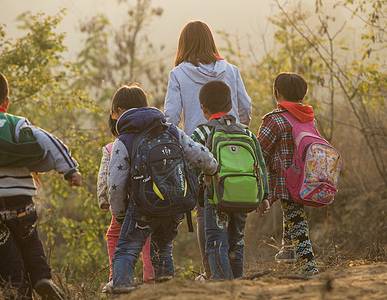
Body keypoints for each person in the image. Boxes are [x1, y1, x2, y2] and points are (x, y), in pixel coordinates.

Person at [0, 69, 82, 299]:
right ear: (5, 102)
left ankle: (17, 290)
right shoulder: (14, 123)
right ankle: (41, 277)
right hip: (20, 203)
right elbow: (46, 139)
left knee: (7, 261)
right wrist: (69, 169)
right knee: (30, 242)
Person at [164, 20, 252, 279]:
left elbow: (170, 119)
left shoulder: (178, 74)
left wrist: (180, 150)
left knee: (206, 209)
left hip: (199, 150)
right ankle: (234, 275)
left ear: (184, 45)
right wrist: (235, 132)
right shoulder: (232, 70)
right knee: (235, 204)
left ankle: (213, 274)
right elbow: (246, 109)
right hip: (235, 148)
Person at [107, 84, 218, 288]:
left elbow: (116, 183)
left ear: (120, 112)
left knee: (126, 250)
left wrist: (119, 213)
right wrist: (212, 170)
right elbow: (199, 154)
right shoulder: (171, 130)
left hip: (143, 207)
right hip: (175, 204)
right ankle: (167, 291)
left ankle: (120, 291)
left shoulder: (124, 140)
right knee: (163, 249)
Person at [191, 80, 270, 279]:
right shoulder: (246, 132)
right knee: (237, 241)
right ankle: (238, 284)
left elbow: (191, 162)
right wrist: (264, 196)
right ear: (230, 106)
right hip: (244, 197)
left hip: (215, 198)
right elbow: (260, 165)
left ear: (203, 108)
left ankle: (224, 288)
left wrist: (190, 194)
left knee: (217, 241)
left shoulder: (202, 131)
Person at [257, 72, 319, 275]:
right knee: (292, 210)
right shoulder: (310, 119)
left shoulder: (274, 120)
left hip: (285, 180)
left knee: (296, 219)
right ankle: (288, 250)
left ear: (277, 93)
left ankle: (310, 268)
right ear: (303, 95)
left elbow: (259, 151)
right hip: (306, 180)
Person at [96, 115, 154, 291]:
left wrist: (103, 198)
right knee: (148, 240)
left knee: (114, 235)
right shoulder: (150, 142)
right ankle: (151, 281)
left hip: (123, 203)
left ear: (115, 130)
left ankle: (116, 277)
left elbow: (104, 176)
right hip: (148, 202)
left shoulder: (111, 147)